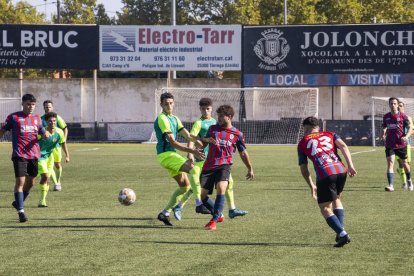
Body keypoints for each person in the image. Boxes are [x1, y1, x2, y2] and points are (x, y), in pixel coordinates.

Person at [173, 98, 248, 221]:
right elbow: (192, 138)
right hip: (203, 160)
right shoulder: (199, 123)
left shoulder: (215, 122)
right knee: (196, 187)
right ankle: (180, 206)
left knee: (228, 183)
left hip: (217, 160)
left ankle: (232, 209)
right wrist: (190, 154)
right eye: (203, 109)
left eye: (207, 109)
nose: (205, 111)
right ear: (200, 109)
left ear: (211, 109)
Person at [297, 116, 357, 247]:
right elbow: (343, 146)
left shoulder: (302, 142)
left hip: (325, 173)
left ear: (306, 128)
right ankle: (339, 230)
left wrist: (311, 185)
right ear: (318, 127)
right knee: (336, 199)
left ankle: (342, 234)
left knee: (324, 207)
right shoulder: (330, 134)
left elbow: (304, 168)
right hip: (341, 170)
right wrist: (350, 165)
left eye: (304, 129)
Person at [154, 92, 209, 226]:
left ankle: (165, 213)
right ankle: (199, 204)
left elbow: (188, 135)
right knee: (194, 169)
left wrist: (200, 140)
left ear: (174, 103)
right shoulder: (162, 119)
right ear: (161, 104)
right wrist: (192, 151)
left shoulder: (174, 118)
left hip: (169, 156)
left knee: (185, 187)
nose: (169, 106)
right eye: (166, 104)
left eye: (171, 103)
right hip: (166, 155)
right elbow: (172, 142)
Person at [201, 105, 254, 231]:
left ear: (229, 117)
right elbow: (203, 143)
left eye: (220, 116)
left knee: (221, 188)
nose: (218, 118)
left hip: (224, 165)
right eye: (217, 116)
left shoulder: (237, 134)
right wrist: (206, 140)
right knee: (202, 196)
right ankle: (218, 214)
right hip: (209, 166)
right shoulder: (212, 129)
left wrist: (250, 168)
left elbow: (243, 153)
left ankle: (213, 221)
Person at [0, 94, 49, 223]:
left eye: (33, 104)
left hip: (33, 155)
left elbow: (43, 132)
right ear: (23, 104)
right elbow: (3, 130)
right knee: (20, 182)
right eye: (28, 104)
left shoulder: (37, 119)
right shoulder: (14, 117)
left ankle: (18, 202)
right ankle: (21, 211)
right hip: (19, 154)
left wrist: (46, 134)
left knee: (31, 182)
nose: (31, 107)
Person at [37, 112, 70, 207]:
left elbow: (63, 143)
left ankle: (42, 201)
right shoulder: (41, 132)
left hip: (49, 157)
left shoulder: (59, 132)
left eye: (54, 121)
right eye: (50, 121)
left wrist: (67, 155)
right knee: (44, 177)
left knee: (46, 178)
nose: (52, 123)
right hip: (39, 157)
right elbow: (31, 141)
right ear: (46, 122)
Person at [381, 97, 413, 192]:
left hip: (401, 144)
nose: (393, 105)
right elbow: (384, 126)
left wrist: (406, 136)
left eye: (394, 103)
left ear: (398, 105)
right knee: (390, 163)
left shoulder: (403, 116)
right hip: (390, 144)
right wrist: (382, 134)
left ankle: (409, 181)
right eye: (391, 103)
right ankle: (391, 185)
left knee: (405, 163)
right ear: (389, 105)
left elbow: (410, 128)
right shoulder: (386, 116)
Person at [41, 100, 68, 192]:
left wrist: (64, 138)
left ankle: (58, 181)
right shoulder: (41, 119)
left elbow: (65, 128)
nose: (47, 108)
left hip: (56, 146)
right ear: (43, 108)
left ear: (52, 107)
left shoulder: (57, 118)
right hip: (46, 148)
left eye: (49, 106)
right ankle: (56, 184)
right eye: (46, 106)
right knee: (50, 166)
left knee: (57, 164)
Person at [396, 100, 414, 191]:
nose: (399, 107)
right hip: (395, 144)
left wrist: (406, 136)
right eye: (398, 105)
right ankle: (404, 183)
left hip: (406, 144)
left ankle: (407, 179)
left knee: (407, 163)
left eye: (401, 105)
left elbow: (412, 130)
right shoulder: (393, 117)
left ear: (404, 107)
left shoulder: (408, 118)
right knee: (400, 163)